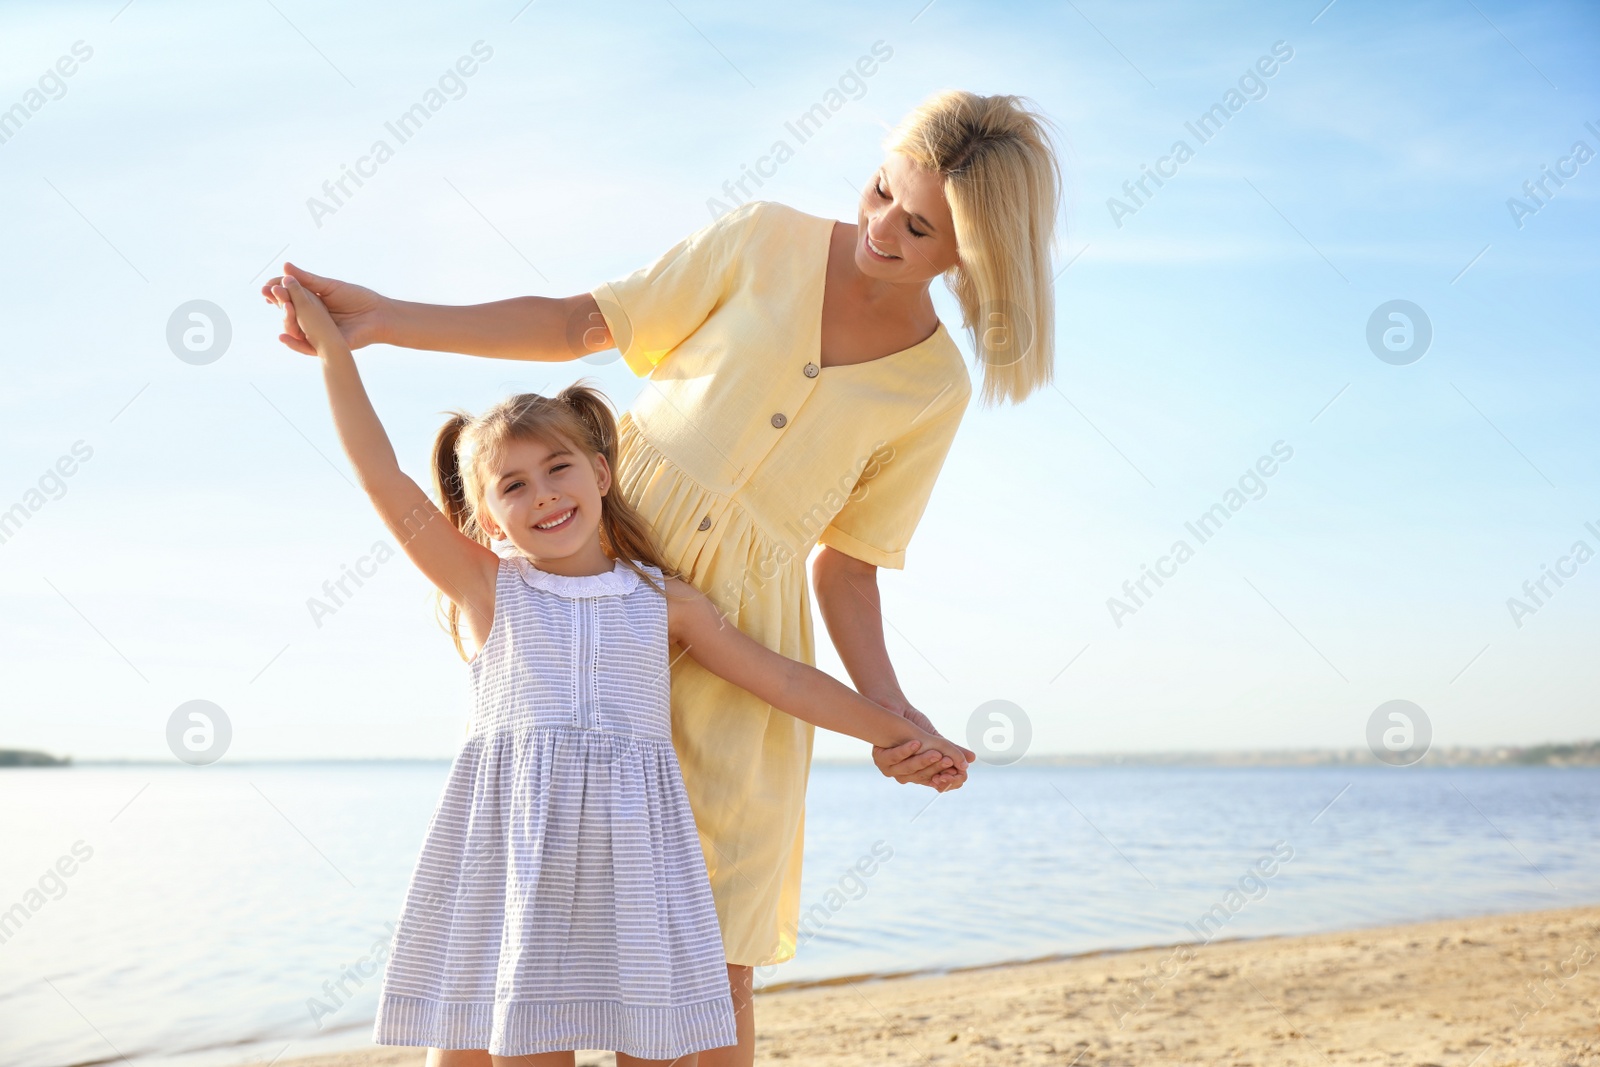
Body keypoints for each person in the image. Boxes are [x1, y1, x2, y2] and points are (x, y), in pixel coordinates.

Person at [264, 88, 1062, 1066]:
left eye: (917, 224)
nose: (879, 227)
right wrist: (383, 319)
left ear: (971, 251)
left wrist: (894, 717)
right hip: (609, 563)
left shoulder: (933, 385)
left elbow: (849, 565)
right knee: (536, 925)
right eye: (879, 189)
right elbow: (573, 325)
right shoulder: (763, 239)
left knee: (710, 944)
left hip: (743, 647)